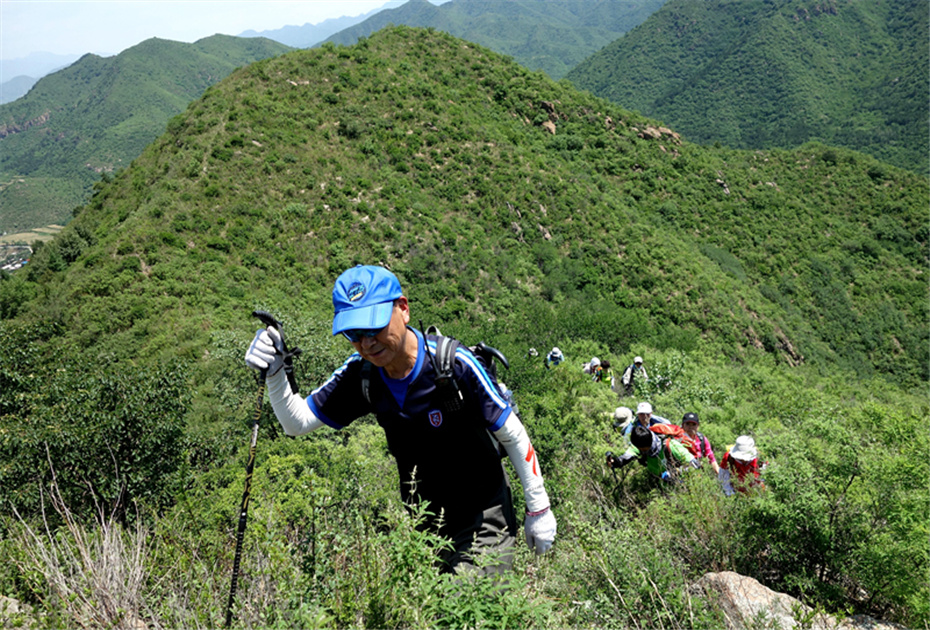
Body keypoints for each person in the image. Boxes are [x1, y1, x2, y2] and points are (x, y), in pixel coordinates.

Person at [244, 265, 557, 575]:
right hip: (425, 522)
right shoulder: (362, 375)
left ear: (403, 309)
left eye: (374, 326)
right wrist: (275, 373)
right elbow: (296, 423)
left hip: (483, 514)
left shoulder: (453, 366)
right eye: (354, 334)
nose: (366, 343)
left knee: (463, 611)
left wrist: (539, 509)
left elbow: (513, 435)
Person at [606, 424, 699, 481]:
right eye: (640, 450)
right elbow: (626, 457)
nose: (643, 452)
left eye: (644, 449)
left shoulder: (670, 446)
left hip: (681, 490)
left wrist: (674, 473)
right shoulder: (640, 445)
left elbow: (695, 465)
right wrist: (615, 461)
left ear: (650, 443)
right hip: (661, 491)